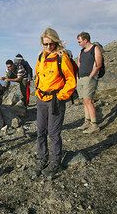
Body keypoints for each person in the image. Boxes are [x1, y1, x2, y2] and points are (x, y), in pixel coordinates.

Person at [34, 27, 77, 178]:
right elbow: (37, 75)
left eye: (51, 44)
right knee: (40, 131)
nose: (48, 47)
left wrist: (60, 96)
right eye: (45, 44)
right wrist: (37, 90)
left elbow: (71, 80)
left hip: (55, 100)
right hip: (41, 98)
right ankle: (42, 157)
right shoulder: (41, 56)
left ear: (56, 42)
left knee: (53, 133)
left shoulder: (62, 57)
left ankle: (55, 161)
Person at [76, 32, 103, 134]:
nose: (78, 43)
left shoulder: (95, 48)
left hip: (89, 78)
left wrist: (91, 76)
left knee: (89, 101)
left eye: (79, 41)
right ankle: (87, 122)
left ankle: (94, 125)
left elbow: (98, 64)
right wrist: (77, 77)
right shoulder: (81, 51)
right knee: (84, 100)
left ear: (85, 40)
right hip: (81, 78)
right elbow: (79, 64)